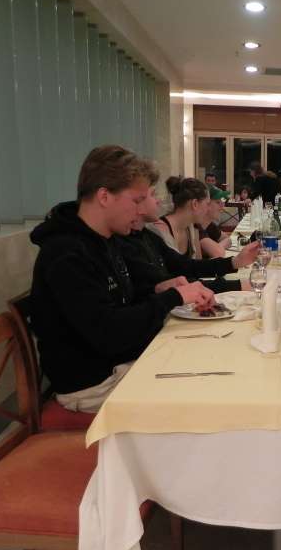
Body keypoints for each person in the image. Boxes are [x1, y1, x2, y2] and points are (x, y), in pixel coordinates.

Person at [29, 145, 215, 412]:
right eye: (137, 200)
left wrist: (159, 288)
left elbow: (119, 304)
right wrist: (172, 297)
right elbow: (109, 332)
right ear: (104, 196)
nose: (141, 211)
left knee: (206, 360)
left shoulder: (106, 239)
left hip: (119, 363)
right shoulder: (65, 253)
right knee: (202, 395)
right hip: (93, 384)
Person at [118, 184, 257, 295]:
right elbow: (172, 283)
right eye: (153, 194)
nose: (158, 200)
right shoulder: (155, 232)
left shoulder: (148, 235)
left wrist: (235, 262)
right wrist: (236, 283)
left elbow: (187, 266)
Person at [149, 176, 210, 258]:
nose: (208, 209)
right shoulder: (159, 231)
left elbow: (197, 263)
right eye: (207, 204)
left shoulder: (191, 227)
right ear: (195, 204)